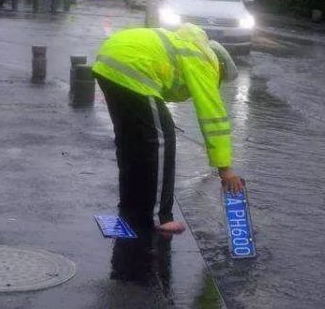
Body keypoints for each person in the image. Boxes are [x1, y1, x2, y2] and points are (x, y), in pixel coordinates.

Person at [92, 23, 245, 233]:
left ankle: (129, 206)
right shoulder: (204, 62)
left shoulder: (184, 46)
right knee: (163, 140)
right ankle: (161, 217)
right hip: (135, 70)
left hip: (108, 64)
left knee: (130, 141)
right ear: (219, 67)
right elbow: (213, 117)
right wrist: (225, 169)